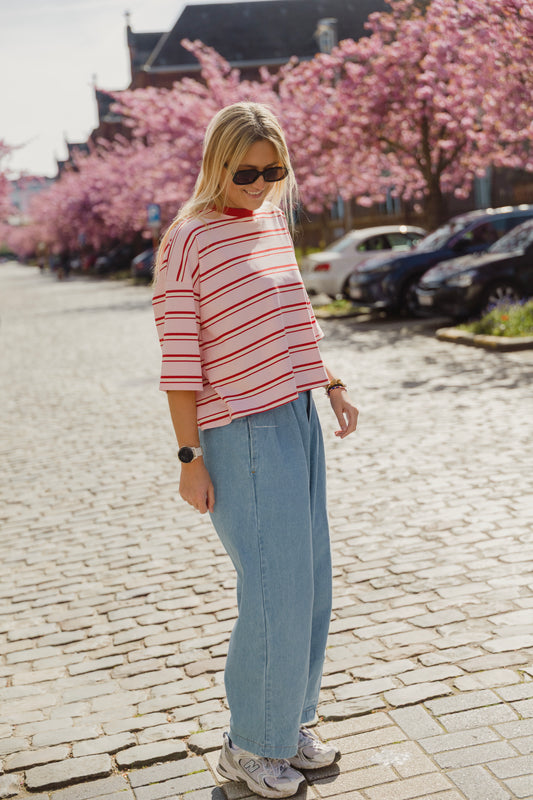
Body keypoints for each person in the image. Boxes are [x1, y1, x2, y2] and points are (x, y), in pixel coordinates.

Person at [152, 102, 358, 799]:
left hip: (294, 415)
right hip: (237, 431)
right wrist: (189, 459)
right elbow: (179, 363)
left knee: (311, 584)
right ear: (216, 162)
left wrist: (328, 384)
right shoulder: (187, 241)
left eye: (274, 170)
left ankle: (289, 725)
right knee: (272, 590)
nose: (262, 182)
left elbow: (295, 315)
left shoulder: (270, 221)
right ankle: (248, 744)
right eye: (247, 171)